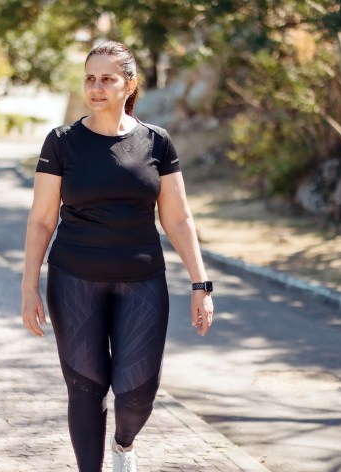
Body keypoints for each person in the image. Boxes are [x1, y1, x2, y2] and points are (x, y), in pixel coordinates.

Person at [21, 41, 214, 472]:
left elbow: (179, 218)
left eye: (108, 79)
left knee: (136, 393)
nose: (97, 87)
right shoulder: (61, 142)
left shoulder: (157, 142)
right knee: (86, 388)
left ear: (130, 85)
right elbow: (40, 221)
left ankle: (124, 443)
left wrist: (201, 285)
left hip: (142, 280)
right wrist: (29, 285)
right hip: (75, 278)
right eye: (90, 78)